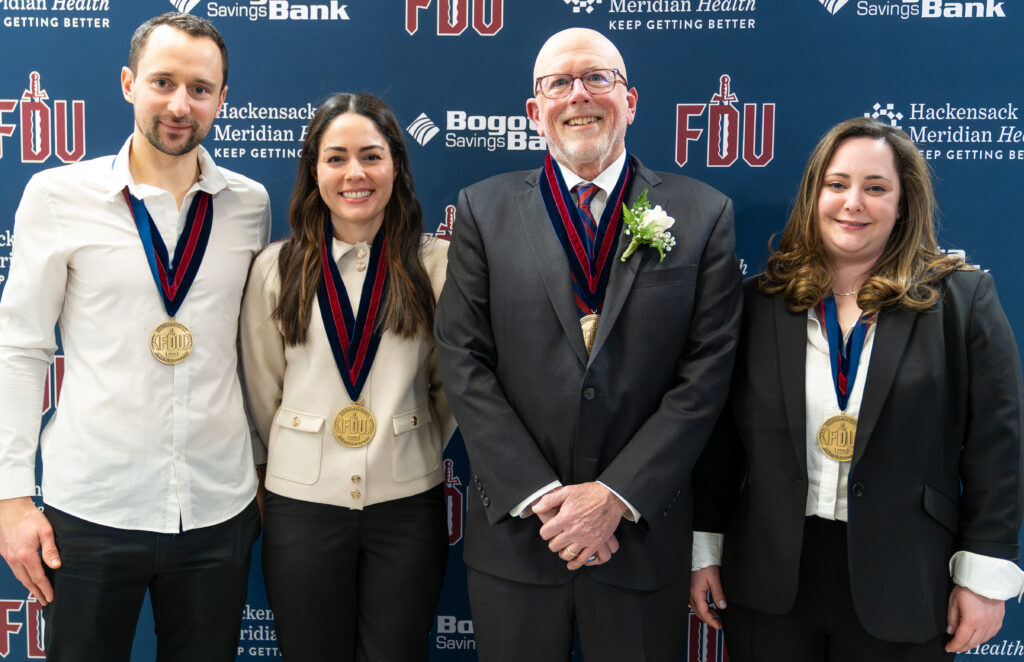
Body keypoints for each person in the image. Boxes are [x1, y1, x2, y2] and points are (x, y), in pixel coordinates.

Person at [435, 27, 742, 661]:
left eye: (597, 78)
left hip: (639, 537)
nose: (579, 95)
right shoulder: (482, 211)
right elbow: (463, 361)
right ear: (534, 111)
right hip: (522, 535)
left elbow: (706, 374)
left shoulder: (703, 213)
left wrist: (616, 497)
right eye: (559, 83)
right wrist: (544, 499)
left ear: (630, 99)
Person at [690, 117, 1024, 661]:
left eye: (875, 188)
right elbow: (719, 442)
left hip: (907, 579)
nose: (853, 203)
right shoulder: (758, 302)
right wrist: (704, 548)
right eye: (838, 184)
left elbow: (997, 448)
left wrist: (984, 577)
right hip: (770, 577)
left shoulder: (962, 301)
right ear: (814, 194)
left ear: (903, 204)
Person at [0, 12, 269, 662]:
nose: (180, 104)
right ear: (128, 83)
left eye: (200, 89)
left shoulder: (249, 204)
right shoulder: (57, 195)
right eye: (163, 82)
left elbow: (255, 352)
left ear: (222, 100)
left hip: (218, 508)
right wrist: (10, 497)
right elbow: (21, 346)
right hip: (92, 506)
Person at [240, 92, 454, 662]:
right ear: (315, 171)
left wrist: (407, 437)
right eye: (336, 158)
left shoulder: (437, 264)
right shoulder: (275, 268)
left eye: (371, 156)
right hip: (301, 501)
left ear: (396, 167)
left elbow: (449, 388)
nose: (354, 173)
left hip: (407, 500)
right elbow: (264, 391)